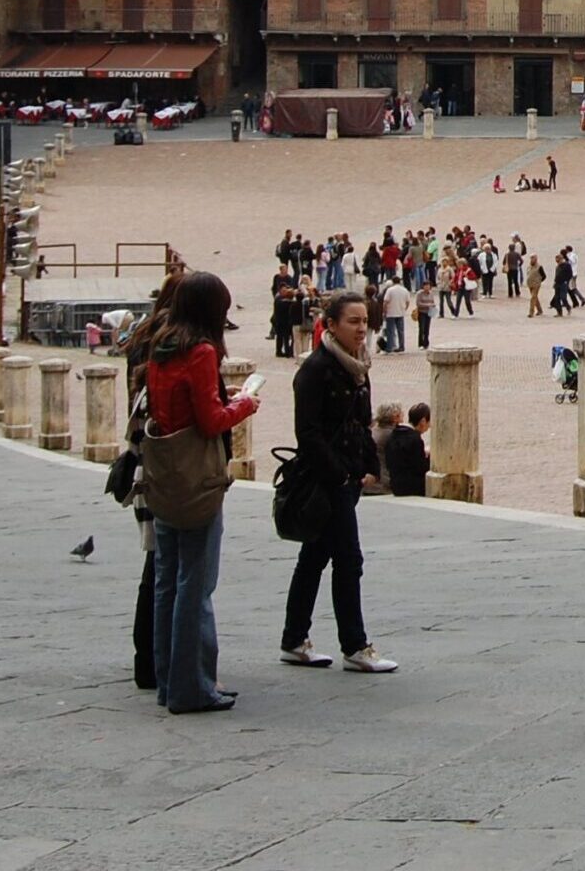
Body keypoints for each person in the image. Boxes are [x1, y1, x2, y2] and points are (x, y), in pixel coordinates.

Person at [143, 273, 262, 713]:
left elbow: (176, 406)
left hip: (164, 472)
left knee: (166, 581)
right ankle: (192, 687)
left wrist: (219, 396)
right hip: (196, 476)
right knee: (196, 583)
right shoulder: (202, 349)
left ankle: (168, 682)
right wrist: (244, 404)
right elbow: (211, 422)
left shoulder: (161, 345)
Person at [281, 289, 398, 674]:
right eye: (353, 321)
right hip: (326, 479)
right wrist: (342, 473)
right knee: (349, 559)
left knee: (314, 557)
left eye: (365, 321)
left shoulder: (359, 367)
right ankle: (355, 645)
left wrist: (370, 464)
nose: (361, 328)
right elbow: (308, 433)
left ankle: (294, 639)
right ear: (331, 325)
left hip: (346, 476)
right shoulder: (315, 370)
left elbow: (360, 423)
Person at [382, 404, 430, 498]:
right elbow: (420, 467)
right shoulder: (415, 439)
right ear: (423, 421)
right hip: (412, 487)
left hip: (396, 485)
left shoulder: (393, 435)